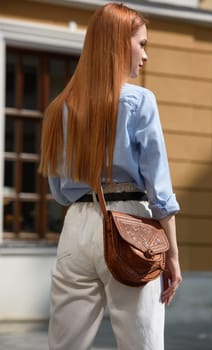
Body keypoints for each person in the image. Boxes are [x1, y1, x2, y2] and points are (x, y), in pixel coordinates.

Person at [39, 3, 182, 350]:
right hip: (131, 226)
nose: (145, 55)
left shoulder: (60, 107)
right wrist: (173, 257)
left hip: (76, 227)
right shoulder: (140, 101)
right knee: (141, 342)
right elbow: (159, 191)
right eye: (142, 43)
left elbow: (59, 192)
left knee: (65, 343)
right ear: (120, 44)